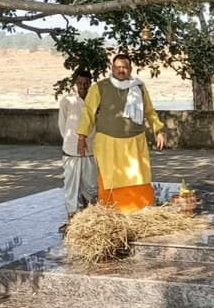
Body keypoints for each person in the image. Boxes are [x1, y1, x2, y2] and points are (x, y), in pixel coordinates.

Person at [76, 54, 165, 213]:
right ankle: (112, 212)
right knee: (110, 179)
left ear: (130, 69)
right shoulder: (99, 87)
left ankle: (140, 211)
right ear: (112, 68)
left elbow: (149, 111)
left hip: (135, 144)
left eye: (125, 67)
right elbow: (88, 113)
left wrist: (158, 130)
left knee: (138, 177)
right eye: (118, 67)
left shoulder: (139, 88)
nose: (121, 70)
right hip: (108, 144)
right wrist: (81, 137)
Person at [58, 70, 97, 231]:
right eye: (80, 83)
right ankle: (72, 217)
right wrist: (71, 142)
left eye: (86, 83)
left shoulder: (95, 100)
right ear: (76, 83)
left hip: (91, 149)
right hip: (71, 150)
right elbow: (62, 125)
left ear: (90, 83)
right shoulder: (67, 100)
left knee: (90, 184)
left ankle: (90, 216)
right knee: (71, 186)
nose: (83, 86)